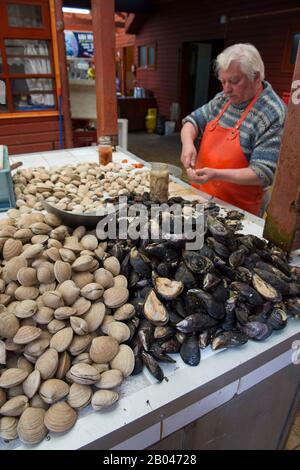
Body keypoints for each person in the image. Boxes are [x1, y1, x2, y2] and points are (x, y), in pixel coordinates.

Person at [180, 43, 286, 215]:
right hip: (201, 197)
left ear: (256, 77)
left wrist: (216, 174)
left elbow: (263, 173)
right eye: (223, 81)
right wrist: (187, 144)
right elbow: (192, 121)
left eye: (234, 81)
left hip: (238, 210)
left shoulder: (273, 113)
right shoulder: (223, 99)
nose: (226, 89)